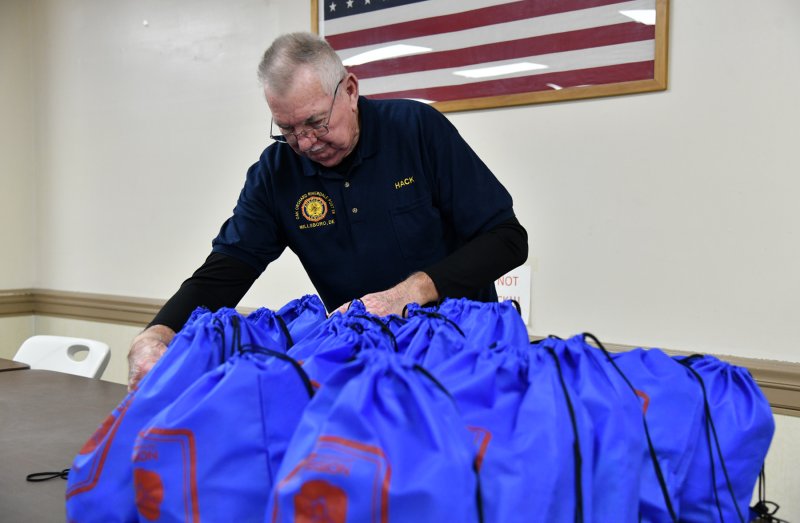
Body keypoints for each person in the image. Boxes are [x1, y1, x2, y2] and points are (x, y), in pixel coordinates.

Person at [127, 31, 528, 390]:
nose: (305, 143)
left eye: (315, 122)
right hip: (368, 372)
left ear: (350, 90)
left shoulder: (416, 129)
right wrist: (159, 332)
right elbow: (228, 269)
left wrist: (410, 293)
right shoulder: (276, 172)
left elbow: (507, 240)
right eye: (287, 129)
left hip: (464, 360)